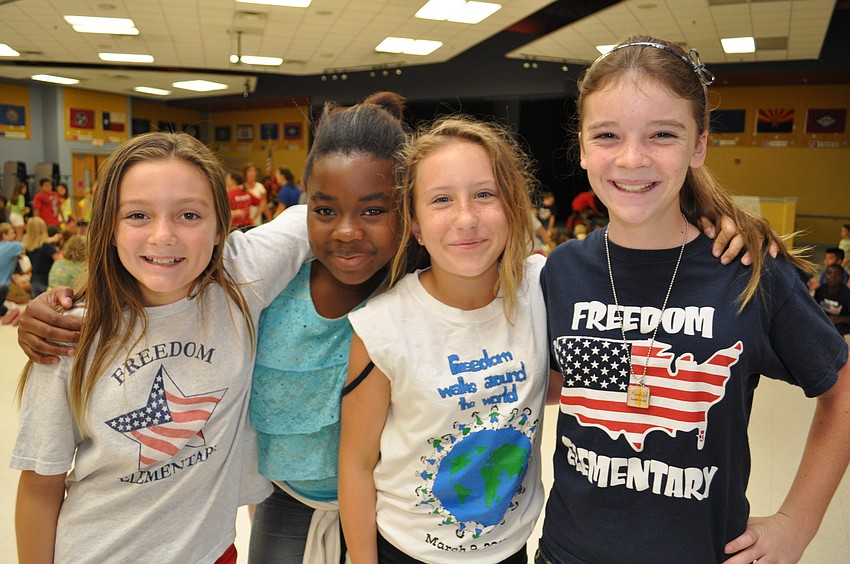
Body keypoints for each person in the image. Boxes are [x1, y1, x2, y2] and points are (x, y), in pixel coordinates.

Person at [537, 36, 850, 564]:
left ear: (699, 145)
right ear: (584, 146)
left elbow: (841, 390)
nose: (632, 158)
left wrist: (798, 523)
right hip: (568, 552)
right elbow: (557, 383)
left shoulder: (747, 270)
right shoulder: (562, 271)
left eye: (663, 134)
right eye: (607, 135)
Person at [11, 131, 312, 563]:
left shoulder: (243, 276)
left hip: (212, 551)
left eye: (189, 214)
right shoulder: (67, 334)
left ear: (219, 230)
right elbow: (40, 486)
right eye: (137, 215)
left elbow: (319, 212)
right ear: (108, 229)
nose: (163, 235)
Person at [339, 116, 552, 563]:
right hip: (407, 551)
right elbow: (356, 466)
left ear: (513, 207)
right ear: (415, 225)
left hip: (510, 547)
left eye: (484, 195)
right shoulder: (383, 327)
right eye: (441, 200)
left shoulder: (543, 287)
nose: (467, 218)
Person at [247, 91, 407, 564]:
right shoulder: (271, 282)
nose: (346, 231)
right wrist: (71, 307)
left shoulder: (420, 283)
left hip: (397, 506)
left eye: (373, 211)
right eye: (325, 211)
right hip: (285, 498)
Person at [23, 216, 59, 297]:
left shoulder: (29, 248)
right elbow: (59, 263)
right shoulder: (47, 247)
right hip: (47, 281)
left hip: (34, 281)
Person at [814, 264, 850, 342]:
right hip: (824, 321)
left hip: (841, 325)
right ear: (825, 276)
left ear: (842, 277)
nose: (832, 277)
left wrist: (838, 319)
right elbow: (814, 309)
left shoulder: (847, 295)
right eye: (829, 273)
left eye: (837, 274)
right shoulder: (820, 291)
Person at [0, 221, 25, 324]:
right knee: (25, 296)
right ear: (4, 235)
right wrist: (20, 231)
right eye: (11, 232)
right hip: (3, 287)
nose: (14, 235)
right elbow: (26, 246)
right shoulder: (11, 246)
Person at [243, 162, 270, 227]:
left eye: (254, 171)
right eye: (250, 171)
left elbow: (265, 205)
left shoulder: (260, 187)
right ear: (245, 173)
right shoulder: (241, 187)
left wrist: (270, 221)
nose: (253, 173)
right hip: (243, 221)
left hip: (256, 221)